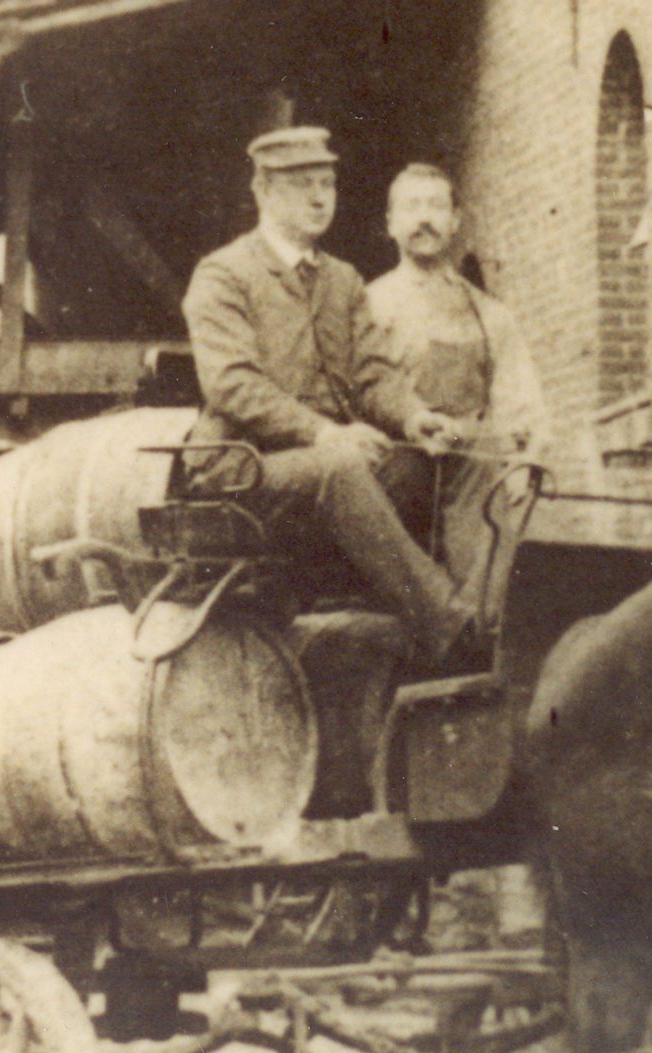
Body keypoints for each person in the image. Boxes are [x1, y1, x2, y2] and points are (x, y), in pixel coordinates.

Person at [180, 126, 477, 665]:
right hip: (240, 470)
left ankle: (433, 614)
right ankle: (453, 630)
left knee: (425, 466)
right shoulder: (224, 274)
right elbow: (232, 385)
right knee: (338, 471)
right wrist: (325, 434)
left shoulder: (341, 280)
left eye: (328, 183)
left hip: (322, 469)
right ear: (264, 192)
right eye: (302, 185)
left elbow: (373, 375)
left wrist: (414, 418)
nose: (321, 198)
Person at [367, 163, 548, 603]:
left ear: (455, 221)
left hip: (467, 470)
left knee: (490, 489)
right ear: (391, 223)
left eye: (436, 205)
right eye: (411, 207)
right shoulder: (366, 305)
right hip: (394, 469)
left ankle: (477, 620)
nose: (424, 218)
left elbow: (519, 405)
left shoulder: (489, 315)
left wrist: (519, 464)